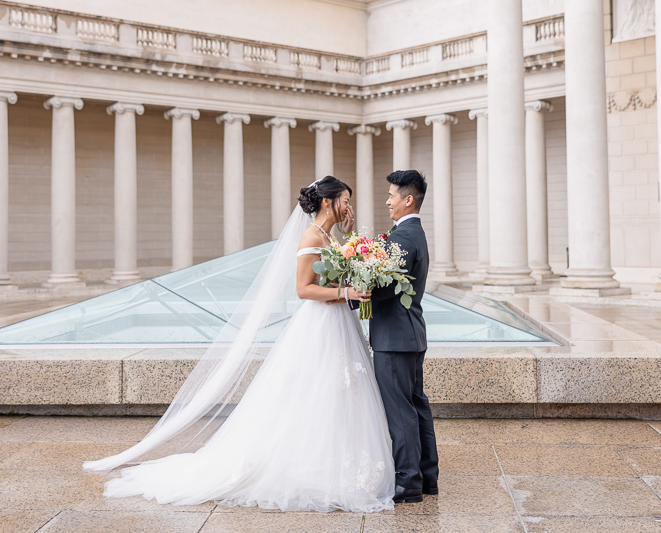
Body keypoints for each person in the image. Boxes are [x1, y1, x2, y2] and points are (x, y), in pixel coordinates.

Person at [83, 176, 396, 513]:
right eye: (345, 200)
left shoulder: (330, 236)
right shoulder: (311, 236)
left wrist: (350, 244)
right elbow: (303, 289)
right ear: (326, 202)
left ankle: (336, 459)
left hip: (338, 323)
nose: (349, 207)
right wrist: (346, 292)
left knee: (336, 394)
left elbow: (337, 273)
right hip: (320, 324)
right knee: (314, 393)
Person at [369, 170, 439, 504]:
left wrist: (352, 293)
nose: (387, 201)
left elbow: (384, 288)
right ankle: (427, 476)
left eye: (391, 195)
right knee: (416, 406)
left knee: (401, 411)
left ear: (407, 199)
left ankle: (408, 481)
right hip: (410, 334)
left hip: (394, 338)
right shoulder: (414, 233)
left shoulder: (401, 239)